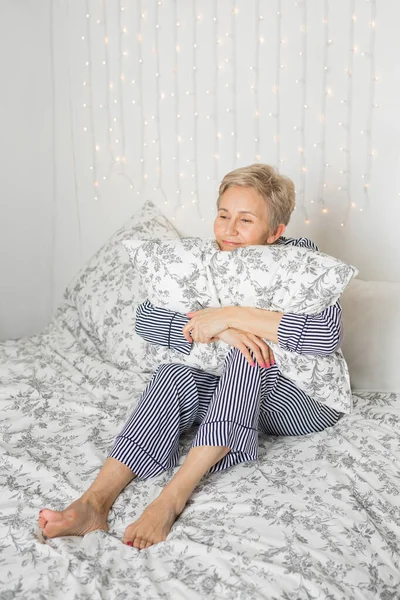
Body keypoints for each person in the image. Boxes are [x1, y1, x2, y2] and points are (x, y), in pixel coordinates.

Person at [38, 164, 343, 550]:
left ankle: (170, 497)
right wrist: (219, 327)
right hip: (233, 393)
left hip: (301, 399)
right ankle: (92, 503)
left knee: (249, 355)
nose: (229, 229)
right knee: (173, 373)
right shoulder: (202, 260)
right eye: (223, 215)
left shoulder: (302, 261)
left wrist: (231, 316)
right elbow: (147, 318)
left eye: (245, 220)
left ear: (275, 231)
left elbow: (325, 334)